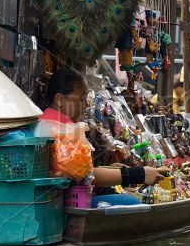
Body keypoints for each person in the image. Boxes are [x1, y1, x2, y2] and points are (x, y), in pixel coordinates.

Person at [39, 68, 167, 187]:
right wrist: (138, 174)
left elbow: (84, 171)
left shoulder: (48, 121)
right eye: (82, 99)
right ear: (60, 99)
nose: (85, 106)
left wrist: (114, 169)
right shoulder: (60, 129)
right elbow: (86, 176)